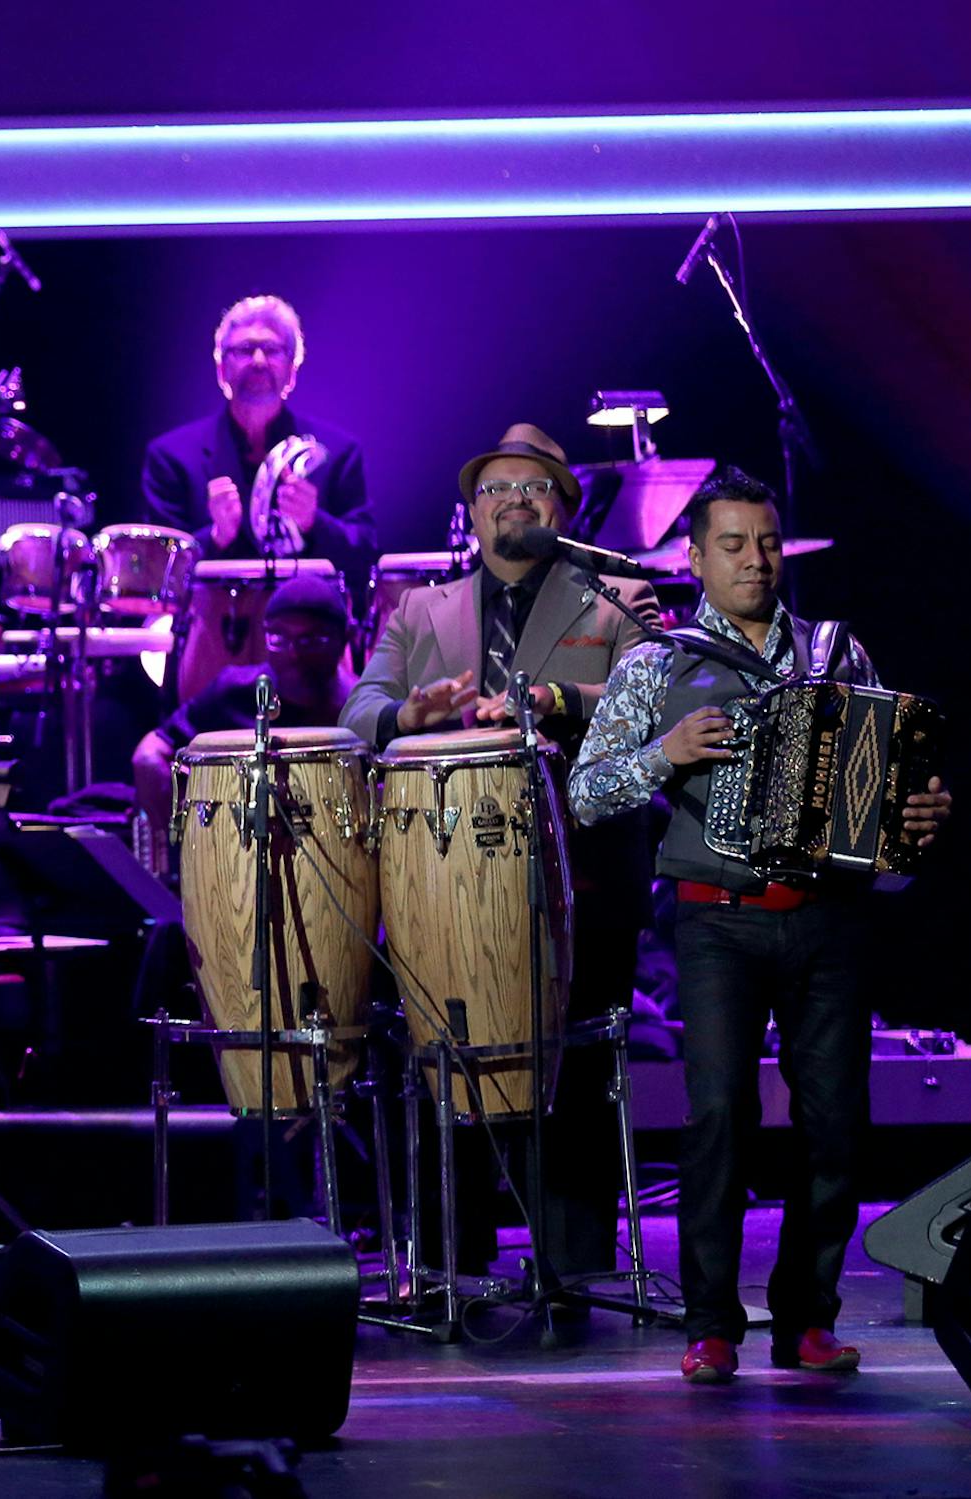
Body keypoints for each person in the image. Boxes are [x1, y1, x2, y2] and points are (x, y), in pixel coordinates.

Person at [568, 467, 951, 1383]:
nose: (756, 561)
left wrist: (919, 813)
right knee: (721, 1120)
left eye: (768, 543)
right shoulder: (654, 665)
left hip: (828, 919)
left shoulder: (835, 655)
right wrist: (666, 753)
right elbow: (584, 793)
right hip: (717, 921)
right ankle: (710, 1323)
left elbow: (886, 786)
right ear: (694, 558)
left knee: (834, 1125)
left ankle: (806, 1319)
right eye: (733, 545)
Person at [340, 422, 657, 1282]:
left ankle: (577, 1265)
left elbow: (646, 694)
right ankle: (451, 1263)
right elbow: (356, 711)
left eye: (535, 487)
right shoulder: (418, 610)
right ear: (470, 514)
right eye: (495, 488)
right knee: (446, 1056)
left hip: (584, 868)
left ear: (563, 507)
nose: (514, 499)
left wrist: (554, 697)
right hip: (441, 877)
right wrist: (409, 715)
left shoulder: (617, 597)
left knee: (575, 1065)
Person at [141, 295, 374, 579]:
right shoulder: (171, 457)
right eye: (244, 349)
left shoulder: (339, 453)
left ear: (292, 372)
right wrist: (214, 537)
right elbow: (153, 572)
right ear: (221, 370)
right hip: (209, 621)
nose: (259, 360)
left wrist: (314, 522)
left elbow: (366, 560)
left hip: (312, 621)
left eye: (273, 349)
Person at [131, 571, 357, 837]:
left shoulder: (363, 708)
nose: (294, 653)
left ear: (344, 639)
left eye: (311, 640)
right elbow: (150, 753)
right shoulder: (234, 692)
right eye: (279, 639)